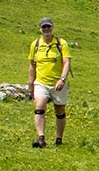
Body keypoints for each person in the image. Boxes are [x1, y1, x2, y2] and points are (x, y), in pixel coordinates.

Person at [27, 17, 71, 148]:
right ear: (40, 29)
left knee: (60, 110)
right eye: (44, 27)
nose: (46, 30)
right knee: (39, 106)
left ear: (52, 28)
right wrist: (31, 84)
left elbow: (66, 62)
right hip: (41, 82)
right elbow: (31, 65)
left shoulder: (61, 43)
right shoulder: (35, 45)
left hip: (58, 83)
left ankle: (59, 138)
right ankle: (41, 138)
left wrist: (62, 79)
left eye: (48, 27)